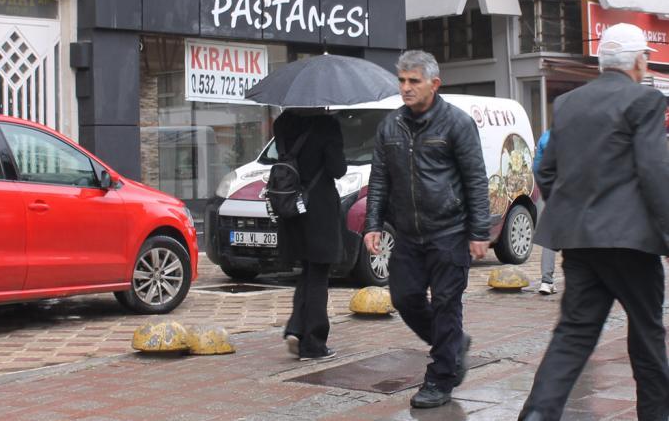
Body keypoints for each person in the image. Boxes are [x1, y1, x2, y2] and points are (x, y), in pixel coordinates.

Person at [519, 23, 669, 421]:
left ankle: (537, 414)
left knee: (573, 334)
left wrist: (573, 210)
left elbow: (546, 169)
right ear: (639, 62)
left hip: (580, 242)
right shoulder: (645, 101)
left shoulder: (569, 103)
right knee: (647, 334)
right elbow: (654, 172)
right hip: (632, 244)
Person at [364, 50, 490, 409]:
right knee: (405, 298)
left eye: (414, 81)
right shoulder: (390, 126)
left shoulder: (457, 123)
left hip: (449, 232)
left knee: (447, 304)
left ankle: (440, 378)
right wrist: (372, 225)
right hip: (407, 234)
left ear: (434, 84)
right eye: (402, 80)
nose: (406, 87)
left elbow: (475, 179)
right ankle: (453, 344)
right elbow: (379, 179)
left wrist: (479, 231)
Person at [275, 108, 346, 361]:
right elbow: (337, 168)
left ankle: (296, 328)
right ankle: (313, 343)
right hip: (319, 208)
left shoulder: (283, 122)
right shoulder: (327, 125)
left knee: (307, 271)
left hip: (292, 206)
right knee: (318, 274)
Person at [533, 130, 557, 295]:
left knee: (550, 237)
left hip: (554, 194)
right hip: (577, 194)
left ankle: (546, 281)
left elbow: (537, 168)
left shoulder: (546, 136)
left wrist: (547, 192)